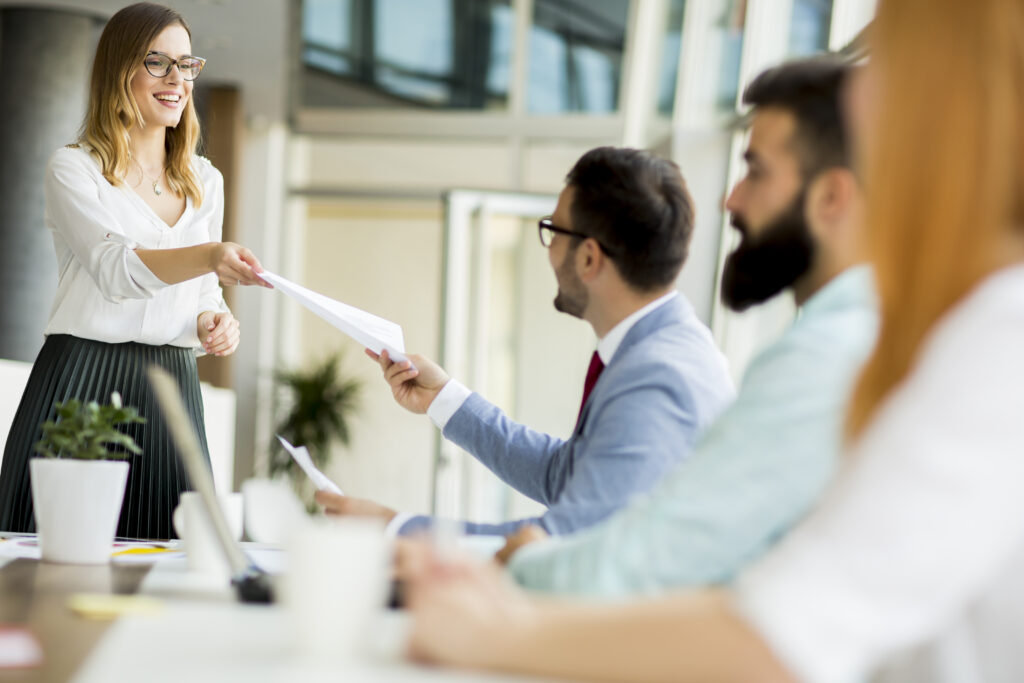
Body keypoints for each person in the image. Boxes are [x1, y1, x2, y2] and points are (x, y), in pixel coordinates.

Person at [404, 1, 1024, 681]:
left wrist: (495, 607)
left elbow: (753, 613)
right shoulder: (928, 331)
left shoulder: (917, 343)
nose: (729, 198)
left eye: (756, 169)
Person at [499, 57, 877, 598]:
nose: (730, 199)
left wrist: (529, 561)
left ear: (832, 197)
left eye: (757, 170)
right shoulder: (849, 342)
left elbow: (661, 557)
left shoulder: (822, 359)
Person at [318, 147, 735, 536]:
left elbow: (571, 540)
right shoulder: (654, 351)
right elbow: (565, 477)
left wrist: (395, 527)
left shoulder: (657, 379)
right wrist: (442, 397)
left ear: (589, 258)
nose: (549, 250)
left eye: (553, 232)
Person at [0, 2, 271, 540]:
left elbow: (202, 292)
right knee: (49, 555)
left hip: (173, 384)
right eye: (157, 62)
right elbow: (115, 271)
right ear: (119, 70)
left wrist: (213, 320)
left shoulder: (204, 180)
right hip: (80, 378)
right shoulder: (75, 168)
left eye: (187, 64)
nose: (177, 79)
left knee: (169, 552)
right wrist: (210, 256)